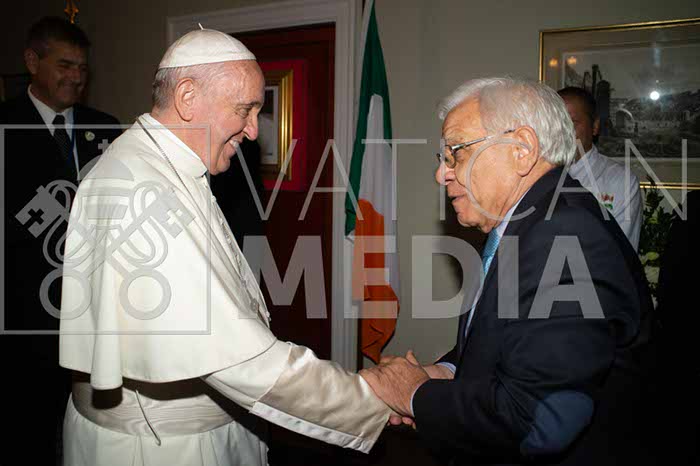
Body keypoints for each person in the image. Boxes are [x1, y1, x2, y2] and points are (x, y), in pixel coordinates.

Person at [58, 28, 389, 466]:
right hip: (161, 451)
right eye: (244, 109)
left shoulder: (160, 165)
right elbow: (238, 361)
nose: (252, 131)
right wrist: (372, 396)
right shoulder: (143, 188)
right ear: (188, 97)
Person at [360, 77, 659, 465]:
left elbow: (537, 418)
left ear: (522, 149)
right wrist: (444, 372)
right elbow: (507, 343)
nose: (441, 174)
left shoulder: (565, 233)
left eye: (456, 153)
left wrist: (415, 393)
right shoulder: (531, 221)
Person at [0, 16, 120, 465]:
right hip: (21, 314)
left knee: (87, 426)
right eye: (64, 65)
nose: (76, 77)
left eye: (82, 68)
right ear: (33, 62)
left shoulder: (105, 128)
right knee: (26, 428)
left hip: (91, 310)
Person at [558, 86, 642, 250]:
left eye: (572, 123)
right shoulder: (532, 176)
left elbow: (618, 253)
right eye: (555, 123)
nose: (562, 131)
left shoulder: (621, 181)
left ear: (595, 126)